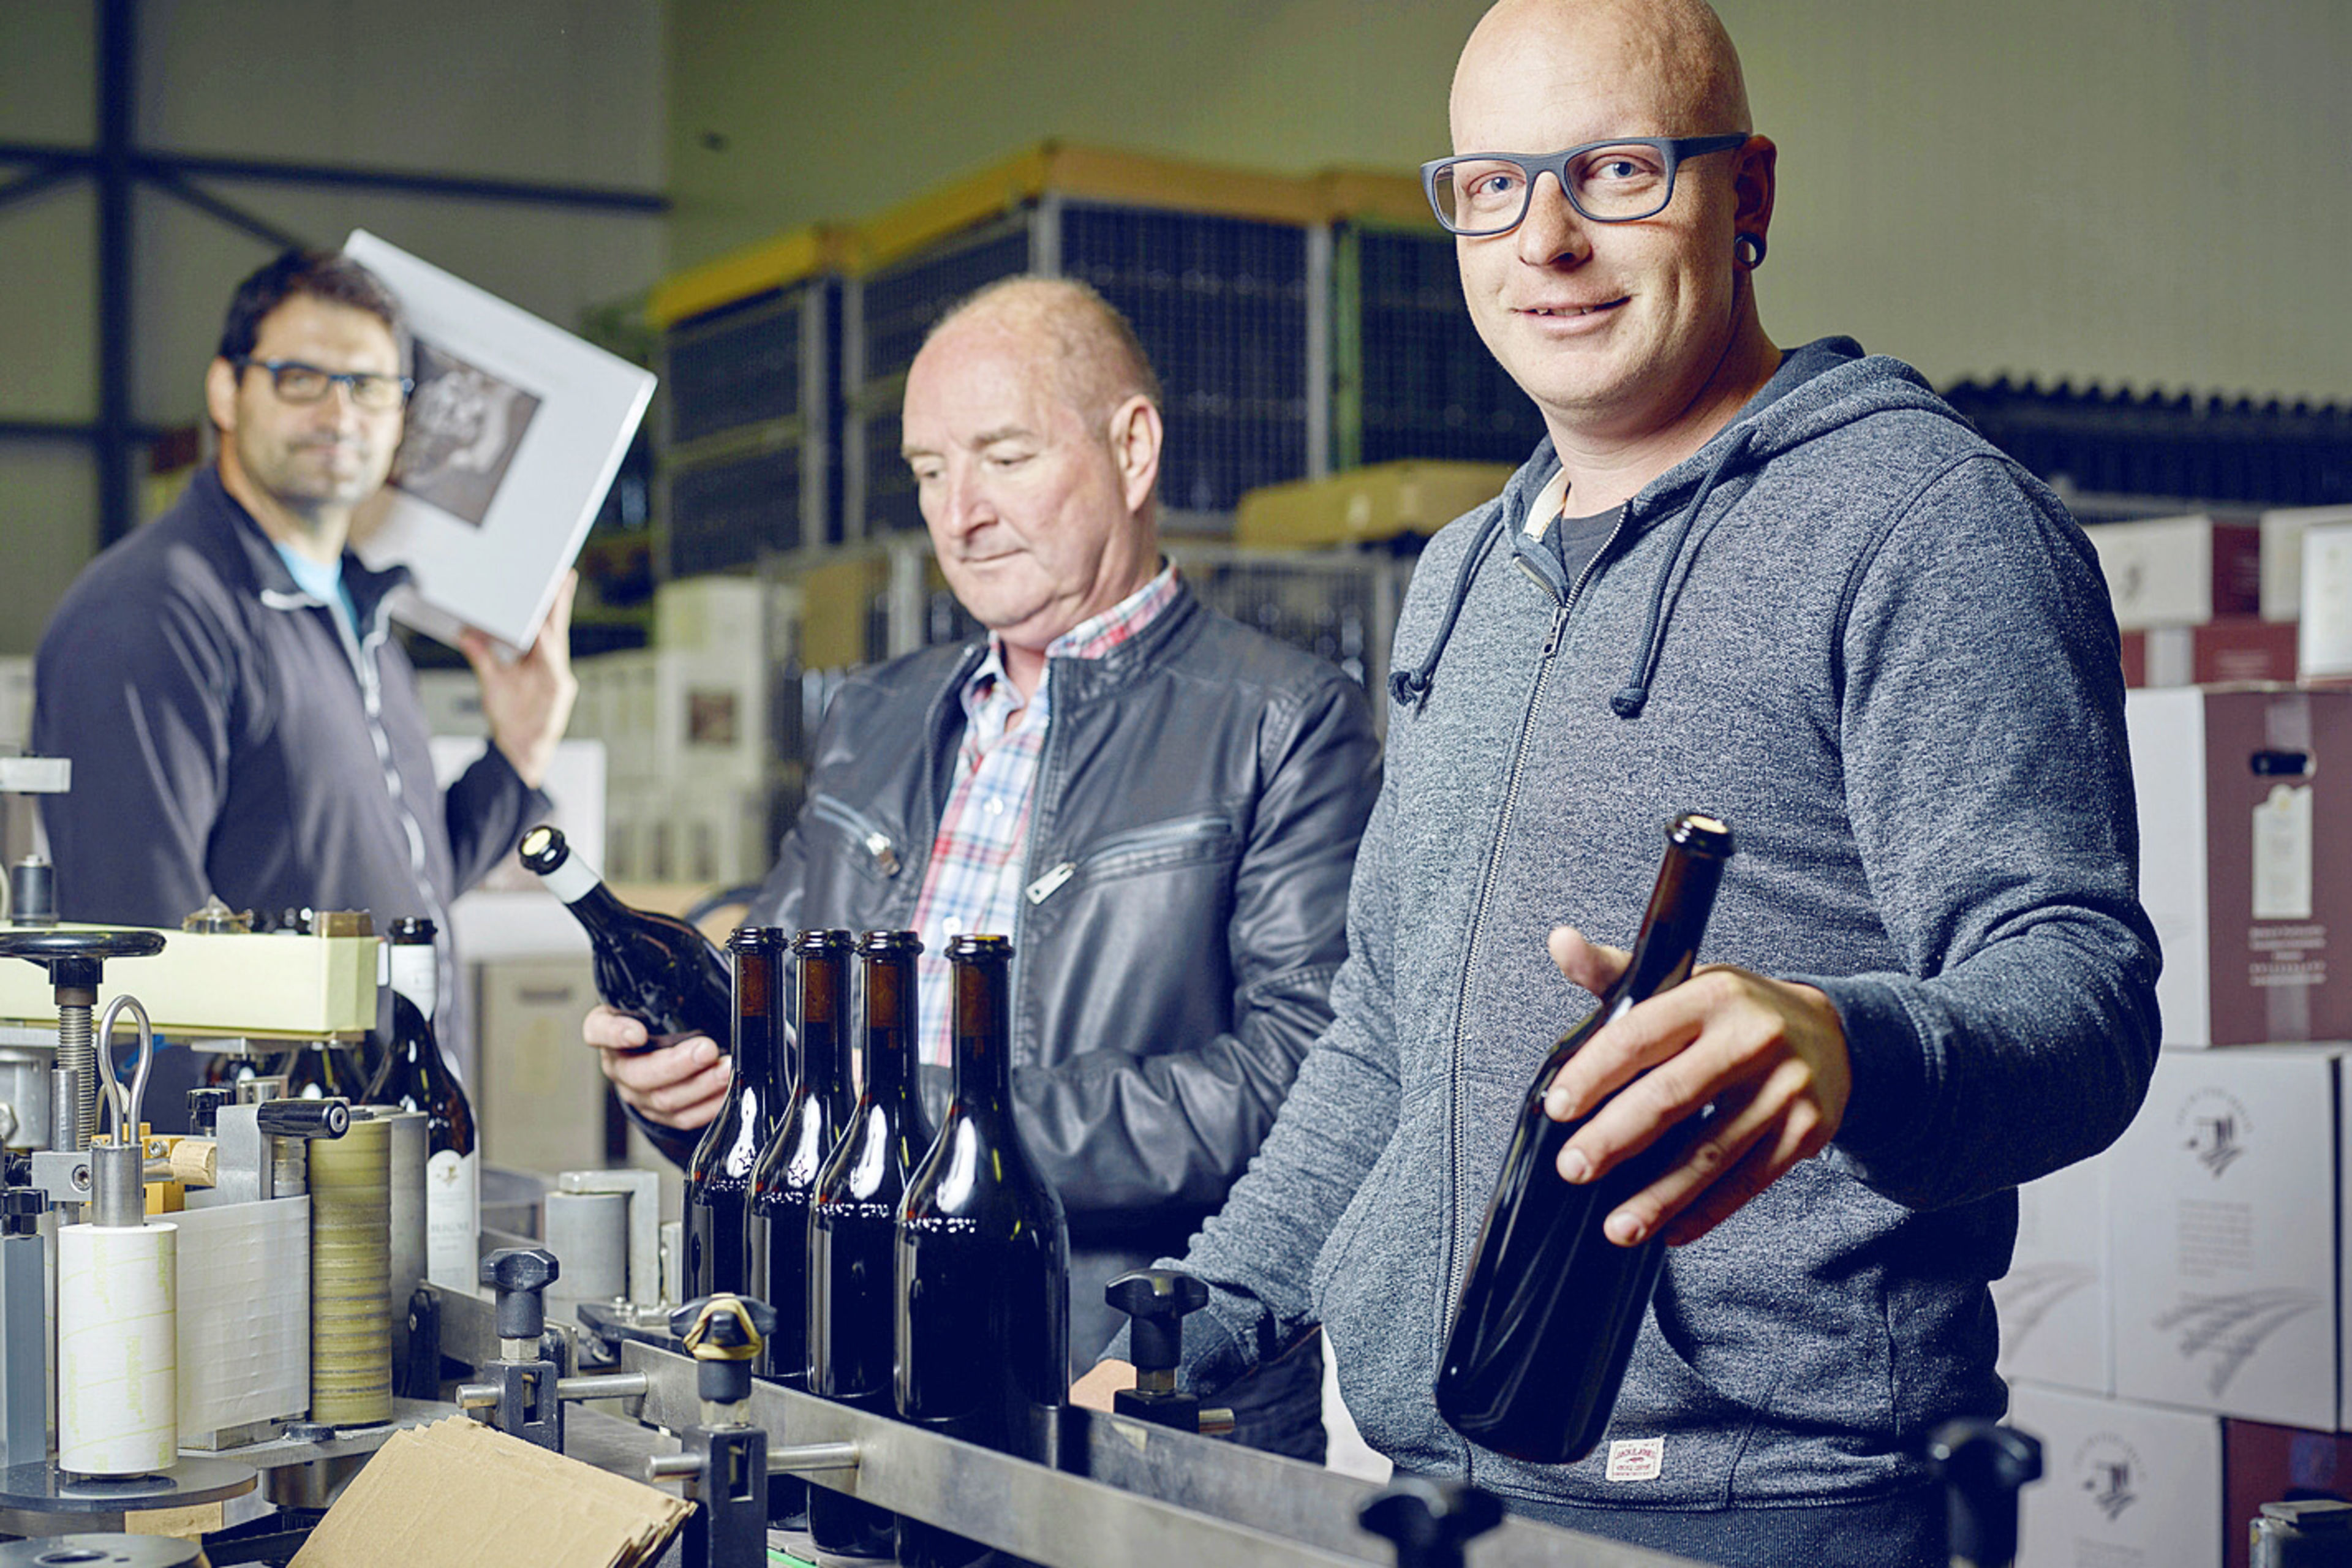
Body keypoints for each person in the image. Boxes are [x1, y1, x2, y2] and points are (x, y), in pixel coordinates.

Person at [1072, 2, 2162, 1563]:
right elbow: (1388, 1037)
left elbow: (2084, 987)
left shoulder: (1927, 526)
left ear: (1752, 192)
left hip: (1764, 1513)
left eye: (1620, 171)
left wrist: (1849, 1041)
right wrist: (1202, 1319)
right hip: (1433, 1492)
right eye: (1495, 186)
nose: (1550, 240)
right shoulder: (1464, 573)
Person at [586, 276, 1382, 1459]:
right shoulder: (877, 714)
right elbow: (791, 1051)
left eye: (1004, 458)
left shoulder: (1283, 722)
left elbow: (1301, 1080)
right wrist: (693, 1090)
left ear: (1133, 447)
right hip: (856, 1365)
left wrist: (956, 1137)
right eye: (928, 472)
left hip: (1125, 1372)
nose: (959, 514)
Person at [34, 249, 577, 1076]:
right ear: (226, 390)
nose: (339, 413)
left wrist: (519, 753)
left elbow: (398, 883)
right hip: (270, 1170)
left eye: (370, 386)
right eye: (300, 378)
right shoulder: (151, 612)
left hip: (391, 1142)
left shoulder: (354, 615)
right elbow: (136, 956)